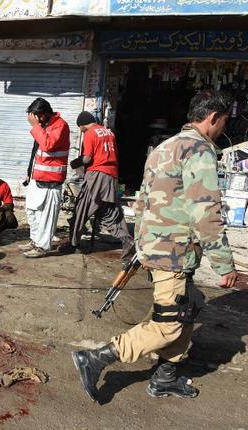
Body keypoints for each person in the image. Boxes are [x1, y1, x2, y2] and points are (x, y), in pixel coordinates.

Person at [72, 90, 238, 402]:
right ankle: (96, 358)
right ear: (213, 117)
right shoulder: (199, 150)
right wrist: (224, 264)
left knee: (189, 306)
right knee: (169, 325)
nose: (223, 129)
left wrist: (141, 246)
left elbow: (143, 201)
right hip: (173, 253)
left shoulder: (165, 147)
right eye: (224, 121)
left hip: (156, 247)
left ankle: (165, 377)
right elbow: (206, 211)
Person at [59, 111, 134, 260]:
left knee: (81, 208)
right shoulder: (109, 132)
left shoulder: (90, 133)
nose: (80, 130)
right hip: (112, 176)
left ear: (82, 125)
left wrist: (75, 163)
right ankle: (127, 240)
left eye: (80, 128)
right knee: (110, 211)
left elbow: (87, 159)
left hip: (97, 175)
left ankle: (74, 244)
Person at [20, 98, 71, 258]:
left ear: (44, 114)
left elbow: (48, 145)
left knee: (46, 215)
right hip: (37, 178)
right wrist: (29, 172)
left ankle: (43, 247)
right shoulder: (44, 126)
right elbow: (36, 152)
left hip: (51, 180)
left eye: (36, 116)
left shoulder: (60, 125)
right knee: (32, 211)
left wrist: (36, 126)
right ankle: (35, 240)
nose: (34, 119)